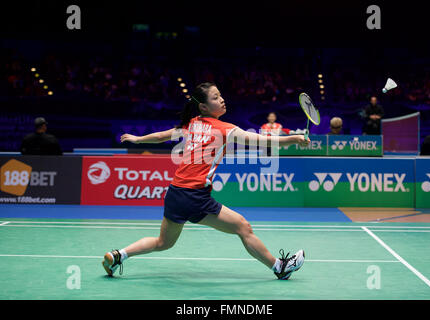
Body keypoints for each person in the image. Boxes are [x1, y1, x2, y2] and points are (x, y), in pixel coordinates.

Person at [103, 82, 310, 280]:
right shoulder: (225, 129)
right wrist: (294, 138)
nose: (222, 99)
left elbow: (161, 137)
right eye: (215, 97)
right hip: (195, 196)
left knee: (163, 242)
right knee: (243, 227)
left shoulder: (192, 124)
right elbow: (262, 141)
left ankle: (119, 255)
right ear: (203, 106)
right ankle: (279, 267)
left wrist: (138, 139)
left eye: (220, 95)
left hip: (175, 193)